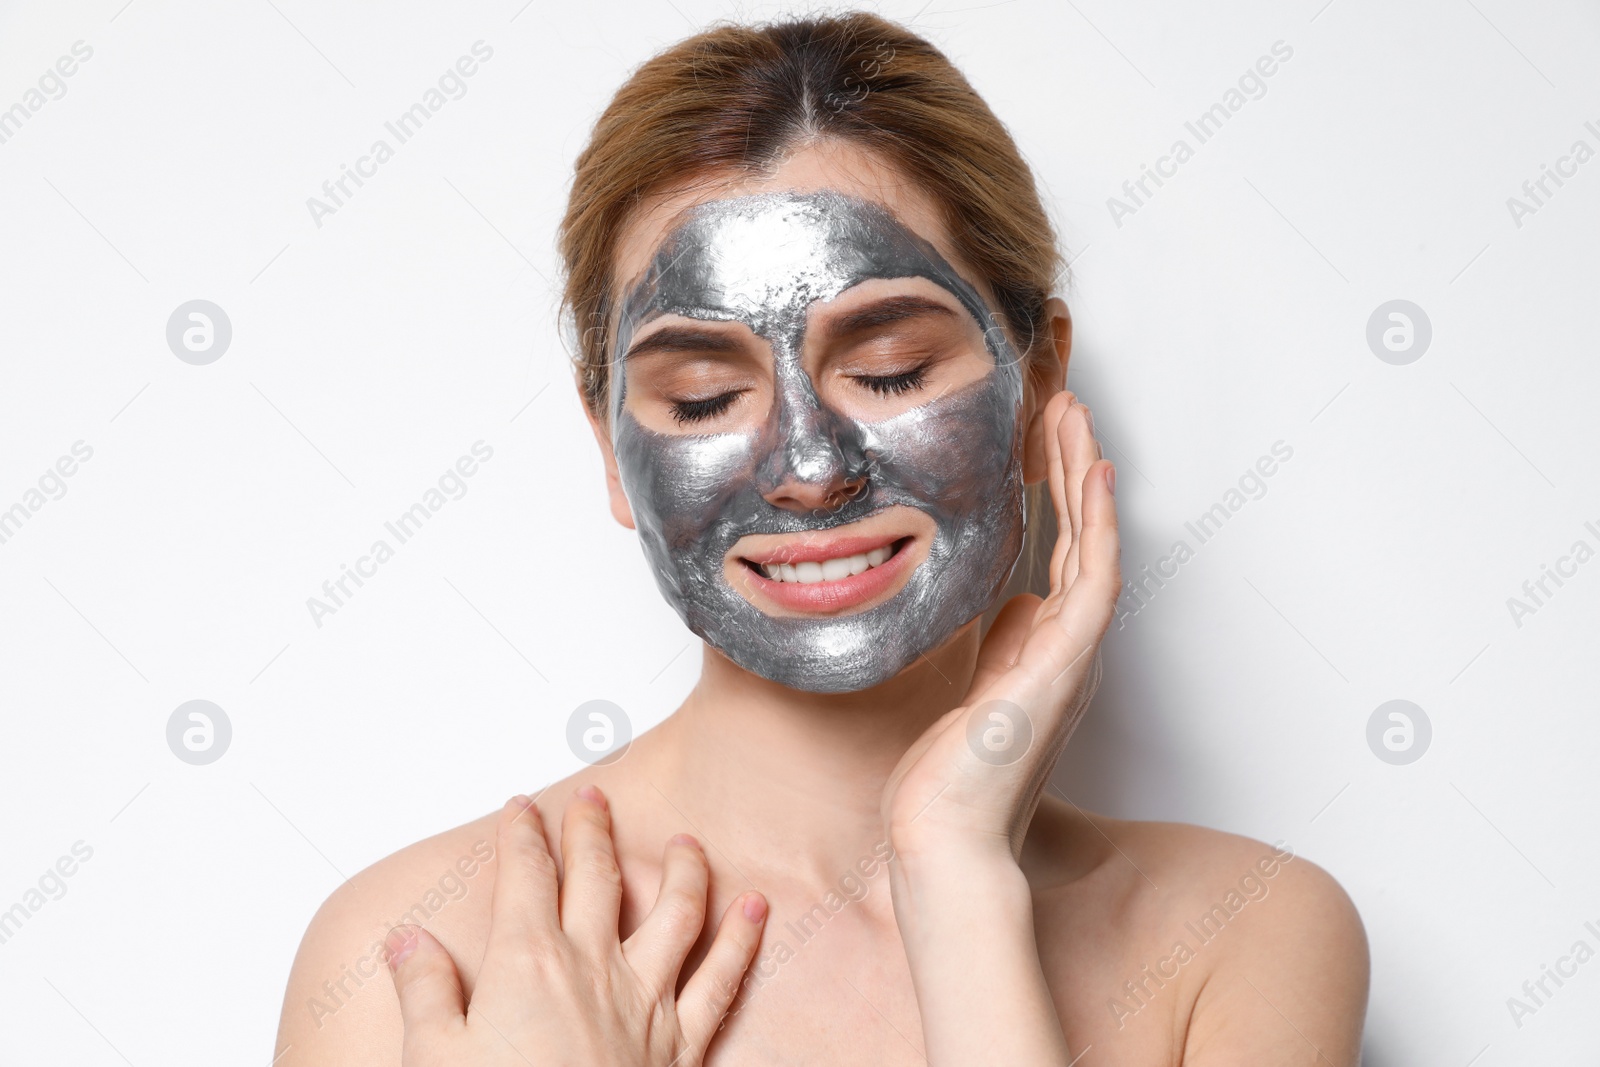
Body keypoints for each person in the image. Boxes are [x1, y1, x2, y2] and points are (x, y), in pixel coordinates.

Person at [274, 12, 1368, 1065]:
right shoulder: (427, 960)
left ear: (1037, 380)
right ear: (609, 445)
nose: (808, 469)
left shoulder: (1235, 938)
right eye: (701, 396)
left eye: (889, 368)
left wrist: (953, 873)